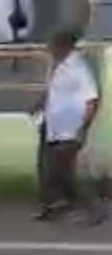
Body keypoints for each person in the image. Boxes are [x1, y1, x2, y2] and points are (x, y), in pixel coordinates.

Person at [33, 30, 105, 224]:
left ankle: (92, 209)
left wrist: (83, 128)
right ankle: (56, 206)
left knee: (64, 170)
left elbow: (92, 99)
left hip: (70, 129)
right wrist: (39, 105)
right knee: (49, 168)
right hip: (54, 127)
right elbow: (52, 91)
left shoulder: (78, 68)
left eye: (52, 45)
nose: (49, 49)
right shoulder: (57, 65)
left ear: (63, 46)